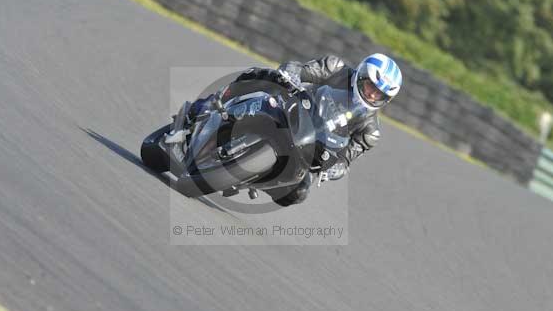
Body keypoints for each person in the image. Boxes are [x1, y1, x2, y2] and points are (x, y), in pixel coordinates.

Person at [166, 53, 403, 206]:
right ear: (361, 75)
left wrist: (333, 170)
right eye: (371, 86)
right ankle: (202, 109)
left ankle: (247, 177)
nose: (372, 94)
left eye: (378, 94)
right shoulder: (337, 69)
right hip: (294, 111)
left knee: (299, 192)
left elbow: (347, 159)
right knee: (258, 76)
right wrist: (291, 76)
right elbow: (301, 70)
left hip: (310, 148)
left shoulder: (370, 131)